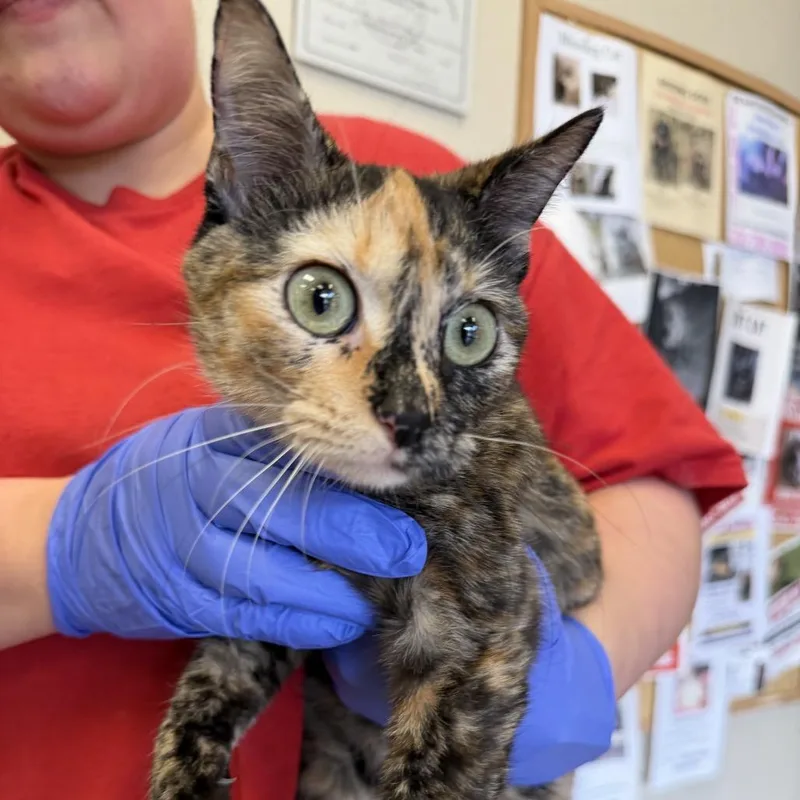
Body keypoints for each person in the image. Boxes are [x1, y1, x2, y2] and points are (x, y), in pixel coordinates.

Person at [0, 1, 746, 798]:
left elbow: (653, 482)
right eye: (322, 301)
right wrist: (61, 550)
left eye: (463, 336)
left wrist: (592, 660)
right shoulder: (303, 210)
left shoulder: (421, 199)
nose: (405, 411)